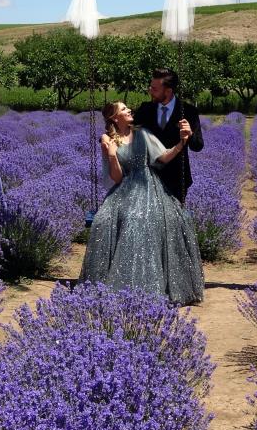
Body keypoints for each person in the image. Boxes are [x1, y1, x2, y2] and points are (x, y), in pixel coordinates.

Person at [79, 101, 205, 306]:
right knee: (102, 220)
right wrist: (111, 155)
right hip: (124, 188)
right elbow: (117, 178)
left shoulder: (142, 134)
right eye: (123, 109)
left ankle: (147, 284)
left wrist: (182, 143)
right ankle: (111, 284)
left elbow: (163, 158)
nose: (129, 110)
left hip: (149, 186)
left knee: (141, 218)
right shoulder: (108, 140)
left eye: (127, 108)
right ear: (114, 117)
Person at [133, 68, 204, 204]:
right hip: (148, 178)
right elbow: (129, 134)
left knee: (172, 223)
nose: (150, 91)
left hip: (177, 180)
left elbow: (198, 146)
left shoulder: (188, 111)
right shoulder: (145, 109)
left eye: (154, 89)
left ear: (168, 91)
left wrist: (190, 134)